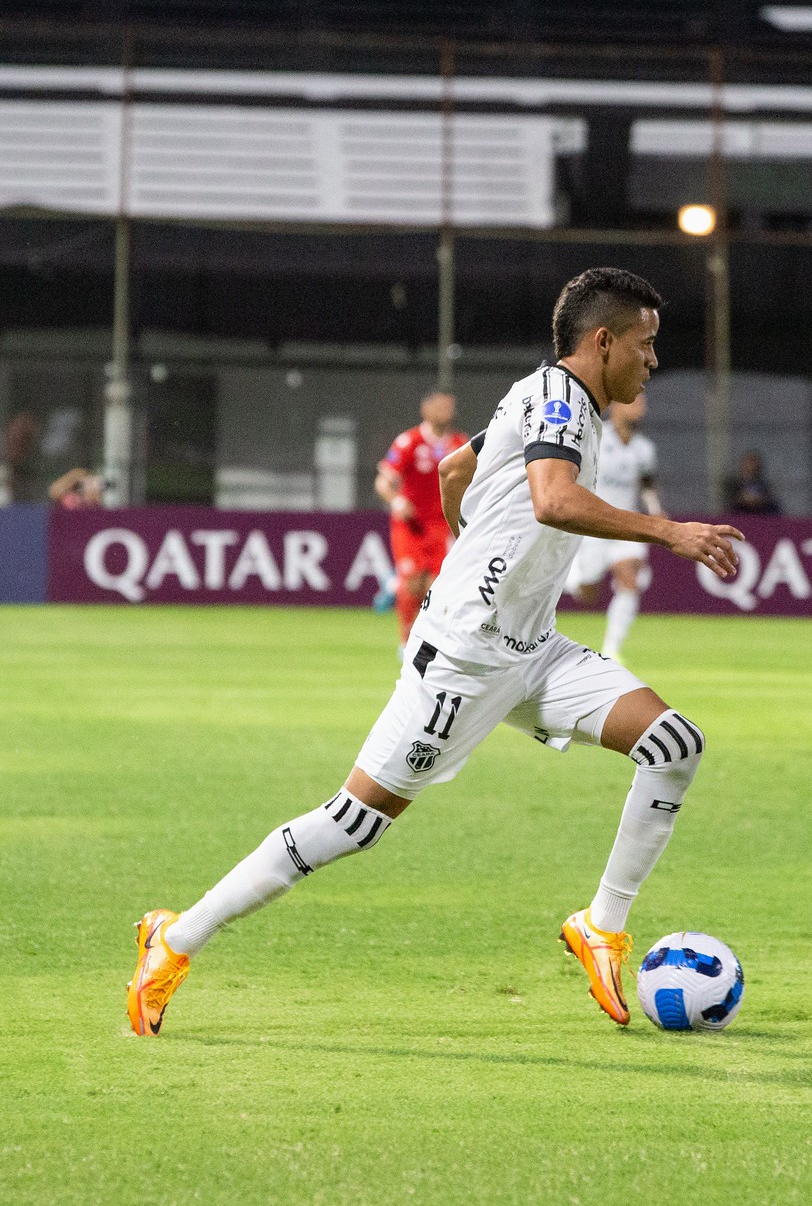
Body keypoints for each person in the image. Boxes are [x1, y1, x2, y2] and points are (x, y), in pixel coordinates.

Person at [125, 268, 745, 1036]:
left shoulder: (550, 396)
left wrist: (475, 553)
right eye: (646, 345)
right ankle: (174, 938)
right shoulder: (557, 400)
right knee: (354, 822)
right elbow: (551, 498)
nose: (653, 362)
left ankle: (600, 926)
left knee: (673, 744)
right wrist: (669, 531)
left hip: (529, 649)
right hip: (462, 661)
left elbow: (457, 470)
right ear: (603, 340)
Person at [565, 392, 665, 661]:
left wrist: (656, 512)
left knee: (629, 580)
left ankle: (612, 650)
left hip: (627, 525)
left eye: (644, 403)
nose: (641, 408)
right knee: (588, 593)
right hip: (595, 525)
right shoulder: (596, 438)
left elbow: (647, 486)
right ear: (617, 407)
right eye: (635, 402)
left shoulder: (645, 449)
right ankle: (572, 578)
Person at [371, 390, 466, 647]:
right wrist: (396, 500)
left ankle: (426, 639)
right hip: (411, 525)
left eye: (449, 407)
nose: (445, 412)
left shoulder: (460, 443)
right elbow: (383, 481)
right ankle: (405, 641)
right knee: (412, 583)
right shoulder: (409, 441)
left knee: (436, 587)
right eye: (439, 406)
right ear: (426, 410)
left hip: (443, 526)